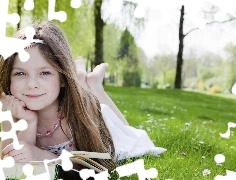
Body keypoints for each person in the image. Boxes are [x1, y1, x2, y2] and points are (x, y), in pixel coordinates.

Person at [0, 22, 166, 169]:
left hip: (100, 122)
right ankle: (82, 78)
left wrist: (41, 156)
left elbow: (96, 162)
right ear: (8, 77)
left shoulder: (80, 111)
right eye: (20, 73)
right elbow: (13, 161)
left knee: (127, 131)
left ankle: (94, 85)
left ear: (63, 78)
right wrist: (29, 121)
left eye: (44, 72)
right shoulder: (13, 109)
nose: (32, 84)